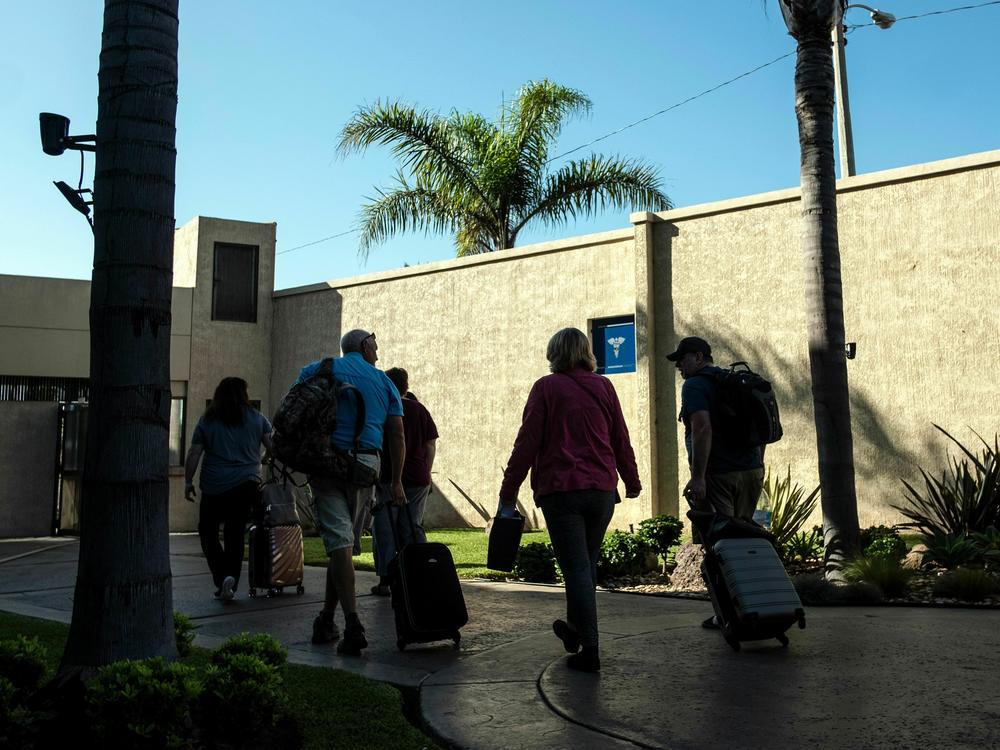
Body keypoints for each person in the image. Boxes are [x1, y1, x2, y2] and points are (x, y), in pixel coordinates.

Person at [499, 327, 641, 673]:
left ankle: (589, 648)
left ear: (555, 353)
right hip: (602, 491)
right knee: (585, 566)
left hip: (562, 490)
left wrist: (508, 490)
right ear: (586, 353)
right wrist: (631, 479)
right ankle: (574, 631)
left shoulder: (546, 388)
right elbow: (619, 436)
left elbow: (527, 442)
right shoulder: (604, 386)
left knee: (576, 568)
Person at [299, 329, 405, 655]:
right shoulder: (383, 381)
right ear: (364, 345)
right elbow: (397, 434)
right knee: (341, 545)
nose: (378, 348)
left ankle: (335, 619)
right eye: (375, 342)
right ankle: (346, 621)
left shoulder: (315, 370)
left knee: (339, 546)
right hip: (364, 465)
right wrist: (397, 480)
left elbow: (293, 411)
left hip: (324, 462)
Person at [666, 335, 765, 628]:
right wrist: (757, 464)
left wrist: (698, 477)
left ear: (698, 357)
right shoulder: (735, 381)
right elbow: (762, 427)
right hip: (750, 471)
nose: (679, 368)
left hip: (719, 474)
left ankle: (731, 615)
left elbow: (701, 428)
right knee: (746, 543)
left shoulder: (696, 385)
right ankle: (757, 606)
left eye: (682, 360)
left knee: (722, 548)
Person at [184, 377, 272, 603]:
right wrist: (262, 459)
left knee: (207, 532)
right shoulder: (257, 418)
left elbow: (194, 453)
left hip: (214, 486)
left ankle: (223, 578)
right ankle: (229, 580)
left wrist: (188, 481)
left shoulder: (209, 419)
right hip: (247, 484)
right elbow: (275, 446)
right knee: (234, 534)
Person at [370, 367, 439, 596]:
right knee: (412, 526)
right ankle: (418, 574)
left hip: (388, 478)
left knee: (385, 528)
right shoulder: (419, 409)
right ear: (406, 386)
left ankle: (386, 580)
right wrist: (427, 472)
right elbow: (430, 444)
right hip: (418, 478)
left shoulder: (382, 409)